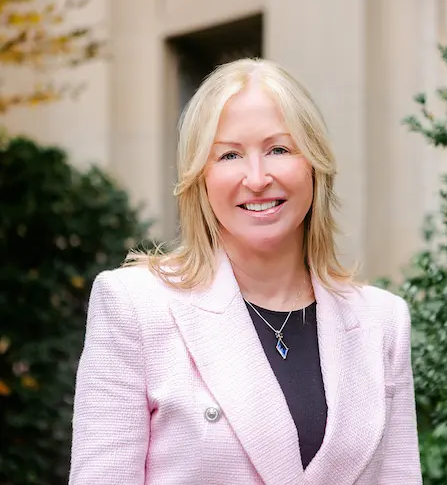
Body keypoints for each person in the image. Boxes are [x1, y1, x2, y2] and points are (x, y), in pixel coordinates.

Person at [69, 58, 422, 485]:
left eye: (279, 149)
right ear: (199, 177)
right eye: (230, 154)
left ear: (314, 164)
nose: (257, 178)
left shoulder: (382, 320)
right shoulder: (134, 305)